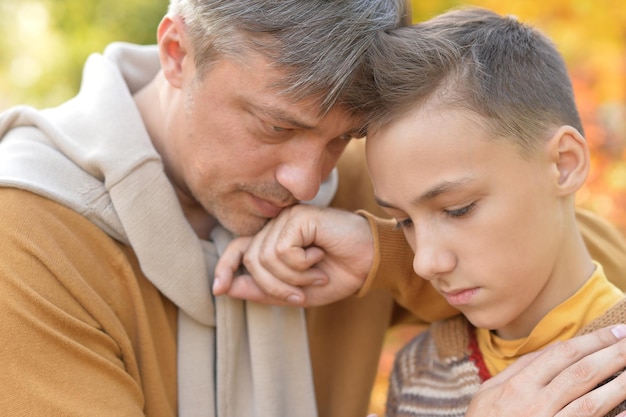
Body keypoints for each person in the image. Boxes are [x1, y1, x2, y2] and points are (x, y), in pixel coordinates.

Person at [0, 1, 624, 417]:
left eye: (339, 140)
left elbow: (593, 269)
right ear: (176, 53)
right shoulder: (25, 236)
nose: (305, 182)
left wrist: (387, 252)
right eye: (274, 126)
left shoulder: (364, 184)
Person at [212, 7, 626, 417]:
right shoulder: (418, 372)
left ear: (564, 164)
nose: (426, 262)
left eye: (458, 209)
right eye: (404, 222)